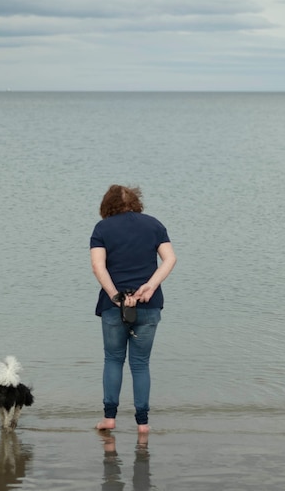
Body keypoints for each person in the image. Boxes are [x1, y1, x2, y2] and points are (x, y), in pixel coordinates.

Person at [90, 185, 177, 435]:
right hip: (148, 303)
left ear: (107, 205)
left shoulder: (102, 228)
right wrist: (150, 286)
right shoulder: (154, 225)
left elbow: (98, 267)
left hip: (113, 306)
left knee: (113, 359)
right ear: (136, 203)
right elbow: (170, 259)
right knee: (140, 363)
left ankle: (109, 419)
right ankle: (142, 424)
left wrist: (115, 296)